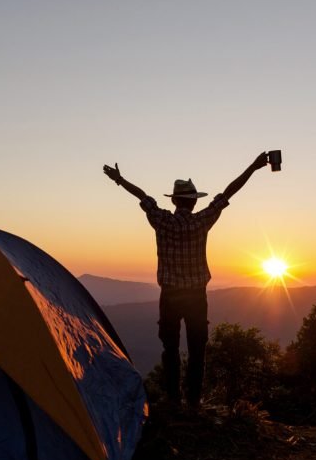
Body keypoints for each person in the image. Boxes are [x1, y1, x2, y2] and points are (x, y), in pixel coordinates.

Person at [103, 153, 269, 410]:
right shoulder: (201, 221)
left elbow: (142, 196)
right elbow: (228, 193)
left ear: (175, 201)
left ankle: (172, 398)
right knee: (197, 349)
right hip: (196, 296)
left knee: (170, 348)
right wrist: (254, 167)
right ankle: (193, 401)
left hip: (169, 295)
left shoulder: (161, 220)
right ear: (191, 203)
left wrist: (119, 179)